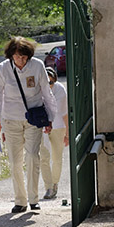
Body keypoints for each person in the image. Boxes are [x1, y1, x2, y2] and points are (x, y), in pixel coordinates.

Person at [0, 37, 57, 214]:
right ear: (11, 55)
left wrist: (51, 117)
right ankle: (20, 200)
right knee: (14, 160)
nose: (21, 61)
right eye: (17, 57)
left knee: (33, 156)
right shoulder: (3, 68)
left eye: (24, 57)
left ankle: (34, 198)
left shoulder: (37, 66)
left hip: (33, 118)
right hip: (10, 119)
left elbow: (46, 92)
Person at [40, 66, 69, 200]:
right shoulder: (37, 89)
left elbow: (64, 114)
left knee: (57, 157)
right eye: (46, 82)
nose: (48, 85)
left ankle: (55, 183)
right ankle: (48, 187)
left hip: (58, 127)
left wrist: (68, 133)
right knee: (43, 158)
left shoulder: (60, 90)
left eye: (51, 82)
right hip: (41, 128)